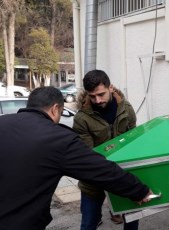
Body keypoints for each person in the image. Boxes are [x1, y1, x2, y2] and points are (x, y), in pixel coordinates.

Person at [0, 86, 152, 230]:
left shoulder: (3, 123)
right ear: (55, 109)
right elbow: (99, 169)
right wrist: (139, 190)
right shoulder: (57, 138)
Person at [73, 69, 139, 230]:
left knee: (132, 220)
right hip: (94, 178)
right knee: (89, 223)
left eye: (101, 94)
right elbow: (88, 156)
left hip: (123, 173)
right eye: (92, 96)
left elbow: (133, 141)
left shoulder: (126, 109)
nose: (97, 100)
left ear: (110, 88)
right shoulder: (82, 118)